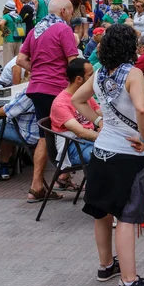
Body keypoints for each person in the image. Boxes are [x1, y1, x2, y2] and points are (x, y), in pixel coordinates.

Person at [70, 22, 144, 286]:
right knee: (126, 216)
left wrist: (99, 121)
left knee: (101, 211)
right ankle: (129, 282)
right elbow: (142, 109)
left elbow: (77, 99)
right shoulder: (133, 73)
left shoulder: (99, 73)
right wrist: (143, 138)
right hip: (127, 153)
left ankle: (106, 265)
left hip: (101, 151)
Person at [17, 0, 79, 203]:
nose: (71, 16)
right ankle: (62, 177)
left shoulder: (36, 30)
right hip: (56, 88)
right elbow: (73, 63)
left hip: (36, 88)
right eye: (70, 12)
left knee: (45, 136)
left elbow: (21, 60)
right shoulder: (63, 29)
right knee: (72, 128)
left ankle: (37, 186)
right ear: (63, 11)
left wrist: (38, 71)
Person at [49, 58, 100, 188]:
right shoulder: (60, 103)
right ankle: (99, 193)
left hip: (88, 142)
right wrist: (106, 137)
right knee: (108, 156)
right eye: (90, 75)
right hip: (73, 147)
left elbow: (101, 114)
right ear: (79, 79)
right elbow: (80, 132)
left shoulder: (85, 96)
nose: (94, 79)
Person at [0, 91, 37, 182]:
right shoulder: (50, 88)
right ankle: (3, 168)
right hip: (42, 133)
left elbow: (8, 110)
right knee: (5, 127)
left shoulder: (30, 92)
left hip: (27, 135)